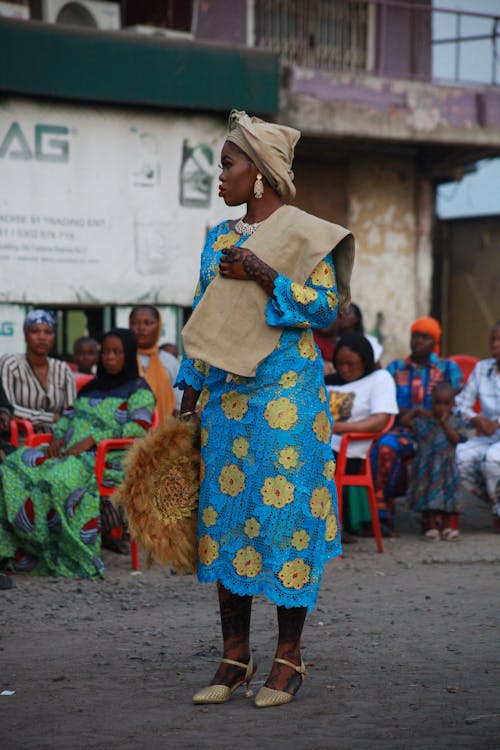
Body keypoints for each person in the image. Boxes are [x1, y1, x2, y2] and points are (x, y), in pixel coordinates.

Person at [177, 109, 354, 708]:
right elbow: (205, 321)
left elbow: (327, 307)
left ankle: (288, 658)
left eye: (227, 163)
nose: (218, 175)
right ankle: (234, 655)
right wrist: (187, 393)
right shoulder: (218, 239)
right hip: (226, 403)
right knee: (225, 523)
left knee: (284, 523)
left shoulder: (305, 233)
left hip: (287, 404)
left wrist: (262, 271)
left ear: (261, 173)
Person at [0, 329, 155, 577]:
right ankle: (19, 550)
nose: (109, 357)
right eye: (105, 352)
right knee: (12, 466)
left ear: (129, 355)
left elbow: (139, 427)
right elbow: (68, 417)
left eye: (117, 352)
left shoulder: (139, 390)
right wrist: (58, 438)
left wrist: (93, 440)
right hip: (68, 451)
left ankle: (65, 552)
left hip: (108, 459)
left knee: (58, 478)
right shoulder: (90, 387)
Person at [370, 316, 463, 534]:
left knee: (439, 454)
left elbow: (456, 402)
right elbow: (386, 403)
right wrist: (414, 414)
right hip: (404, 430)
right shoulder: (396, 367)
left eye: (425, 337)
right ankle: (382, 514)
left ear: (435, 343)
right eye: (415, 336)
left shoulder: (448, 368)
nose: (418, 341)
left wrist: (427, 414)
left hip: (436, 433)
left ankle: (436, 515)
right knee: (385, 447)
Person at [325, 333, 398, 537]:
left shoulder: (379, 379)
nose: (344, 370)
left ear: (365, 361)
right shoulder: (329, 381)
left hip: (350, 451)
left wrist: (337, 427)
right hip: (323, 442)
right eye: (339, 364)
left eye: (351, 364)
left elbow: (379, 420)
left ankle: (329, 527)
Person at [402, 382, 468, 540]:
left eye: (446, 404)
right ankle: (431, 526)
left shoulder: (456, 421)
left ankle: (448, 526)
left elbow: (456, 439)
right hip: (427, 467)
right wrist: (416, 411)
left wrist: (444, 423)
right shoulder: (424, 421)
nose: (441, 408)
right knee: (428, 496)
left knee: (448, 497)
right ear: (431, 403)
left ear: (453, 404)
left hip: (447, 466)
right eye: (437, 403)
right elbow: (405, 422)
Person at [0, 310, 76, 433]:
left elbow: (71, 411)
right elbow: (8, 408)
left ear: (54, 337)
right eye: (35, 331)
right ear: (25, 335)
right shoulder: (10, 364)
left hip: (57, 440)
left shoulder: (62, 369)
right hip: (20, 440)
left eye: (48, 332)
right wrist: (52, 418)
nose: (42, 337)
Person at [455, 321, 500, 529]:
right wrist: (476, 418)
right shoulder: (483, 368)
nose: (495, 345)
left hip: (494, 437)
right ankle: (496, 503)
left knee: (491, 459)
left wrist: (497, 423)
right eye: (493, 340)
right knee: (460, 457)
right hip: (488, 436)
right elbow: (461, 403)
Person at [129, 305, 181, 419]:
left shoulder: (169, 361)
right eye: (135, 323)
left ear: (159, 326)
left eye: (148, 323)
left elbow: (179, 403)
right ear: (129, 326)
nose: (141, 328)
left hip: (164, 432)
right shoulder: (124, 359)